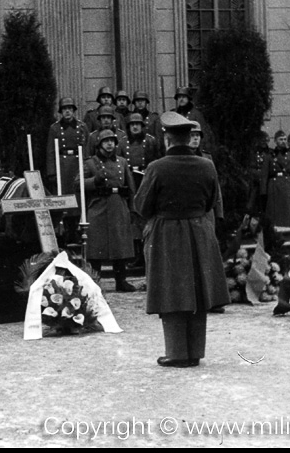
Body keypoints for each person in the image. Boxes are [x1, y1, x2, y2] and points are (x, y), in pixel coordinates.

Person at [133, 111, 230, 368]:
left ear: (167, 140)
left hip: (167, 234)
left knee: (172, 291)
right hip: (200, 230)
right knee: (197, 291)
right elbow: (211, 201)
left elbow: (142, 206)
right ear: (190, 139)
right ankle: (195, 351)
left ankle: (177, 353)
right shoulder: (207, 166)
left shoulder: (156, 168)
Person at [74, 129, 138, 292]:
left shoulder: (122, 162)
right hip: (99, 206)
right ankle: (95, 281)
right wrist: (94, 180)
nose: (110, 144)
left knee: (120, 246)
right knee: (96, 246)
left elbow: (130, 187)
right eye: (106, 141)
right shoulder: (90, 163)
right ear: (99, 144)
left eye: (112, 141)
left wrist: (132, 209)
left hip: (118, 205)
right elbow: (77, 184)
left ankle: (121, 281)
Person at [118, 113, 160, 268]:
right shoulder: (122, 143)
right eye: (132, 124)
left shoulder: (151, 141)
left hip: (146, 178)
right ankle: (136, 254)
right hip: (130, 180)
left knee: (147, 216)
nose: (135, 127)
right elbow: (119, 164)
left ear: (143, 126)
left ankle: (148, 253)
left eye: (138, 124)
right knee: (134, 217)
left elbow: (157, 161)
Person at [46, 97, 89, 244]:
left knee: (77, 197)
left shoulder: (82, 127)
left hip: (77, 164)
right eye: (65, 109)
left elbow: (87, 148)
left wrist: (87, 167)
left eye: (70, 109)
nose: (67, 111)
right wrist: (52, 172)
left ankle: (75, 230)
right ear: (61, 112)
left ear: (74, 111)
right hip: (62, 165)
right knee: (63, 197)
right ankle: (64, 231)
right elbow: (50, 151)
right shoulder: (55, 128)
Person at [261, 130, 290, 228]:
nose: (283, 141)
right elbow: (264, 175)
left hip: (288, 187)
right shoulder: (269, 156)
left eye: (284, 139)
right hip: (273, 188)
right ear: (275, 141)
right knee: (275, 216)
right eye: (280, 139)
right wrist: (263, 192)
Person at [246, 132, 270, 214]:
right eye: (262, 140)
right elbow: (251, 167)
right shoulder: (254, 153)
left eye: (266, 140)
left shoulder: (270, 153)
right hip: (256, 183)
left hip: (267, 184)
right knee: (252, 205)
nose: (264, 142)